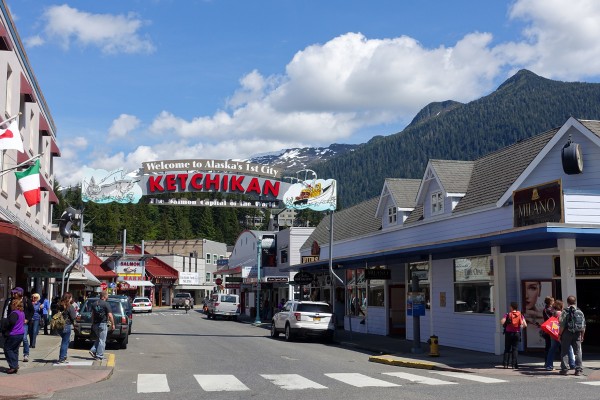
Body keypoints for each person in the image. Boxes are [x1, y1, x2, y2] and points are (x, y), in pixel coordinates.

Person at [558, 295, 585, 376]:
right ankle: (578, 370)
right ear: (575, 301)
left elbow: (562, 324)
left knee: (564, 351)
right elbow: (583, 325)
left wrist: (560, 334)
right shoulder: (580, 311)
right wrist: (582, 335)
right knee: (577, 352)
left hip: (567, 332)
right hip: (577, 333)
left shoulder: (565, 311)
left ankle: (564, 369)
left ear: (568, 302)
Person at [545, 300, 575, 370]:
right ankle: (572, 364)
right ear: (561, 306)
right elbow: (563, 324)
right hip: (561, 333)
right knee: (568, 348)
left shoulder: (553, 313)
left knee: (552, 349)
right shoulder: (561, 313)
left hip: (553, 333)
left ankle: (549, 365)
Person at [2, 289, 25, 374]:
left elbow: (10, 323)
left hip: (14, 334)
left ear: (14, 305)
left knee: (8, 349)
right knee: (14, 350)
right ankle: (15, 365)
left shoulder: (14, 313)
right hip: (20, 333)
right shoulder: (21, 312)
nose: (10, 305)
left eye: (12, 304)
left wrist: (4, 327)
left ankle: (13, 366)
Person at [89, 291, 115, 361]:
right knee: (102, 340)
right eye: (107, 296)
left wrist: (92, 323)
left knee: (100, 339)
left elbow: (92, 315)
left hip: (95, 324)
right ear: (104, 296)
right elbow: (110, 315)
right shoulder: (106, 304)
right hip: (103, 324)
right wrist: (113, 324)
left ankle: (93, 350)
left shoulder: (94, 304)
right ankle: (99, 356)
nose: (108, 297)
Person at [500, 301, 527, 369]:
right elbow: (525, 325)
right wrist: (520, 327)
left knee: (507, 349)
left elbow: (502, 322)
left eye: (510, 306)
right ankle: (514, 364)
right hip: (517, 333)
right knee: (515, 349)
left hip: (509, 333)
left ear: (511, 307)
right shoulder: (520, 314)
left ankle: (506, 364)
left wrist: (506, 322)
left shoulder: (508, 314)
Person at [57, 292, 77, 363]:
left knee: (66, 340)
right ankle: (62, 357)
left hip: (59, 326)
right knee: (65, 342)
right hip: (66, 325)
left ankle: (64, 355)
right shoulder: (70, 306)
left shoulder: (59, 305)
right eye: (71, 297)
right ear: (68, 298)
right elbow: (73, 317)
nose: (72, 298)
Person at [541, 296, 555, 364]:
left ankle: (547, 362)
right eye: (553, 301)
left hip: (547, 329)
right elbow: (552, 319)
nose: (554, 302)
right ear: (550, 302)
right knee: (549, 346)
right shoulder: (549, 310)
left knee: (548, 346)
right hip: (550, 329)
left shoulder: (546, 309)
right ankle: (548, 363)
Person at [21, 291, 34, 363]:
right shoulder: (13, 301)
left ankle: (26, 354)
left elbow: (32, 311)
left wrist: (27, 319)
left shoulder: (26, 300)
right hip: (15, 322)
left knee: (24, 338)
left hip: (24, 322)